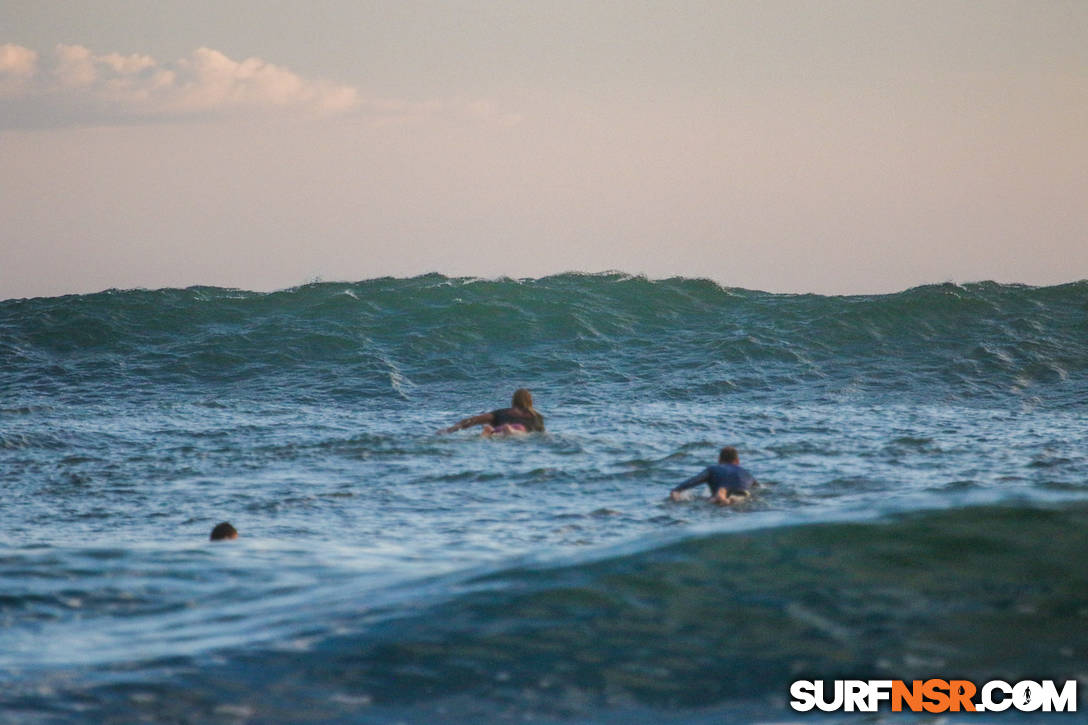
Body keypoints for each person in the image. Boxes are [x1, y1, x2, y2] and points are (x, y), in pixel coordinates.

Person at [670, 446, 757, 505]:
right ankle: (724, 495)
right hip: (743, 495)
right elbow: (758, 489)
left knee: (710, 500)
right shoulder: (747, 474)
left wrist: (677, 490)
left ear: (719, 460)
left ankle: (721, 493)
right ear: (737, 461)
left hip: (720, 494)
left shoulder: (713, 469)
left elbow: (694, 480)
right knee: (742, 497)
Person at [439, 388, 545, 436]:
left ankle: (492, 431)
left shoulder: (501, 413)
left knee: (493, 434)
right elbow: (541, 434)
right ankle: (510, 430)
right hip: (520, 432)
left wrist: (451, 429)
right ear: (530, 401)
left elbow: (473, 420)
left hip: (499, 430)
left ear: (513, 400)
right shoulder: (536, 415)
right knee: (518, 433)